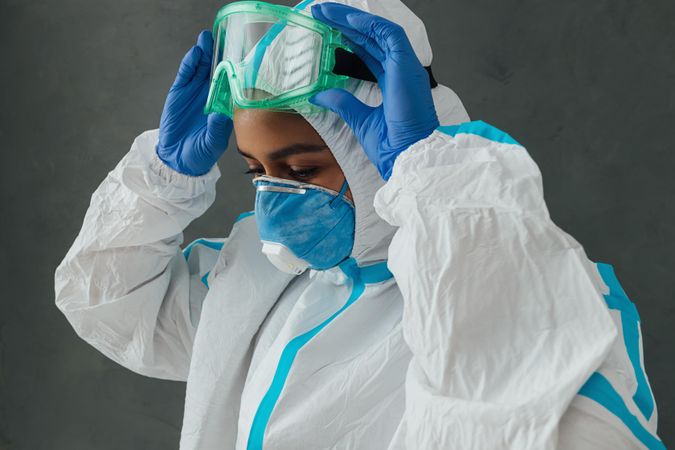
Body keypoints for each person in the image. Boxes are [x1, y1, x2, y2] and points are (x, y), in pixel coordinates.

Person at [54, 0, 664, 449]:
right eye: (255, 171)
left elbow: (527, 420)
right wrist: (162, 180)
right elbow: (109, 305)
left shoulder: (525, 288)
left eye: (301, 167)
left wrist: (433, 177)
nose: (273, 199)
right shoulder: (261, 278)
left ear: (379, 147)